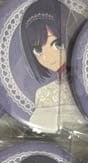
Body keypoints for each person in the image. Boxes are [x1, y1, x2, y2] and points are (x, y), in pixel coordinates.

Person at [20, 0, 83, 131]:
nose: (48, 57)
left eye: (57, 44)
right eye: (38, 50)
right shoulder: (43, 94)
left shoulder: (85, 85)